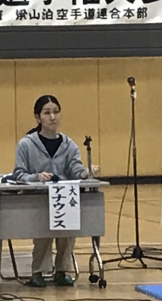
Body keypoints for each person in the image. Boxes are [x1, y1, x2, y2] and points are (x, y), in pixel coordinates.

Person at [13, 95, 98, 288]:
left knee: (67, 233)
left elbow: (75, 169)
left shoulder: (69, 144)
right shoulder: (26, 144)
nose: (52, 117)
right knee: (43, 235)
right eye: (47, 113)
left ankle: (62, 270)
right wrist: (36, 177)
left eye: (56, 112)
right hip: (38, 199)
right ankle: (38, 271)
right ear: (38, 117)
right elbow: (18, 174)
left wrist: (85, 172)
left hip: (64, 198)